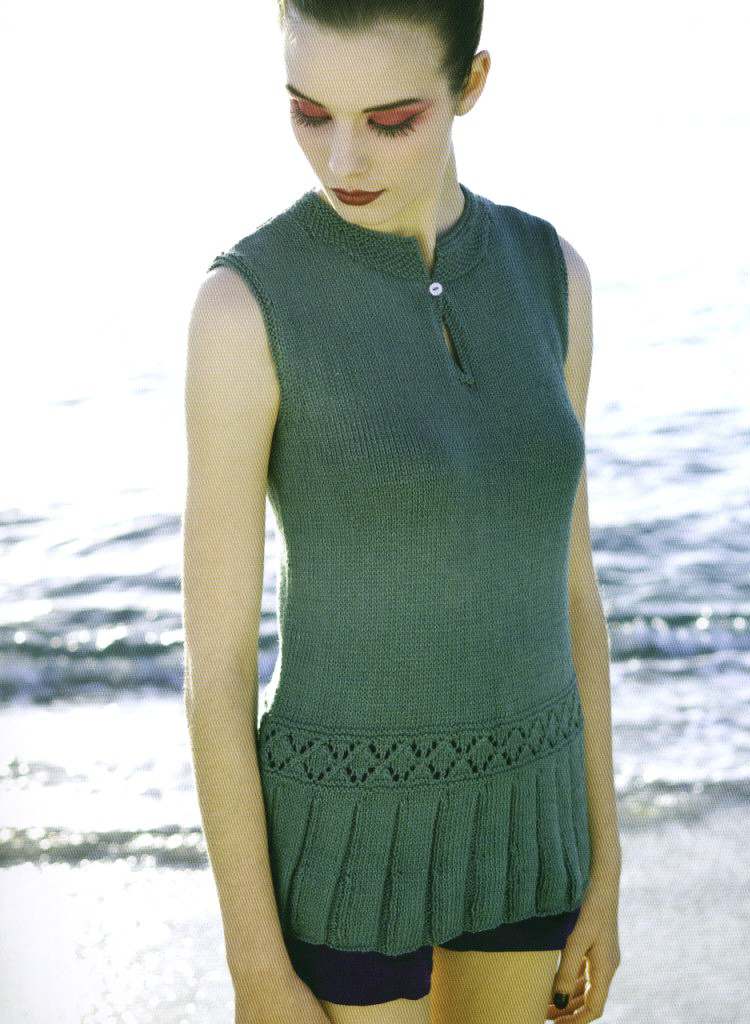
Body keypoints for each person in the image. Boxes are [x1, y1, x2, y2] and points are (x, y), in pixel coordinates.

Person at [183, 1, 622, 1021]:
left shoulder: (552, 276)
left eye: (390, 120)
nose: (342, 159)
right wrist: (257, 969)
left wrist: (606, 865)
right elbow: (216, 668)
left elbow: (573, 596)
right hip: (342, 852)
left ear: (471, 84)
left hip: (531, 832)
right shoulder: (245, 306)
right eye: (308, 111)